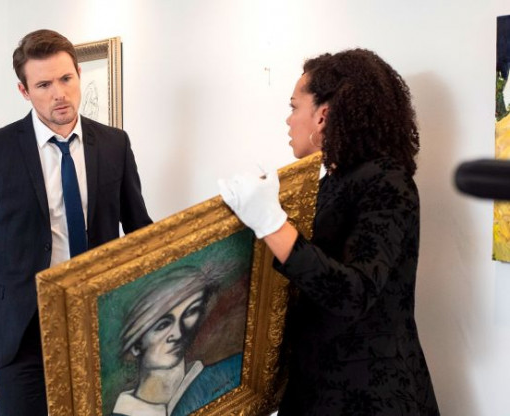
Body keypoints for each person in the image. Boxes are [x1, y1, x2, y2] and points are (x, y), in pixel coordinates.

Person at [219, 48, 440, 415]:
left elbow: (353, 293)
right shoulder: (331, 184)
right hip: (317, 387)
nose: (288, 120)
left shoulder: (388, 181)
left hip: (371, 395)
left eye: (294, 107)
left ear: (323, 115)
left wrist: (272, 223)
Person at [0, 29, 152, 416]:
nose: (59, 93)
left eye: (66, 78)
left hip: (100, 323)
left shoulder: (115, 144)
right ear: (24, 91)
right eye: (44, 85)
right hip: (21, 333)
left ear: (79, 74)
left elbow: (140, 233)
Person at [112, 266, 242, 416]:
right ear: (136, 346)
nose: (178, 333)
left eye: (190, 312)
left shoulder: (234, 371)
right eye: (163, 325)